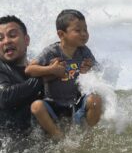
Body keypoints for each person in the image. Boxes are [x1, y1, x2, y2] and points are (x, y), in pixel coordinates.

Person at [25, 9, 102, 139]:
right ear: (61, 34)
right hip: (53, 103)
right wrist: (51, 70)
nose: (84, 34)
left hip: (75, 102)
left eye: (85, 29)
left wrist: (89, 69)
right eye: (78, 30)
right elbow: (29, 70)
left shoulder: (84, 51)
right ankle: (57, 135)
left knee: (95, 101)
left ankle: (87, 135)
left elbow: (98, 69)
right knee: (36, 107)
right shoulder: (52, 51)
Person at [0, 15, 43, 134]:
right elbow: (4, 97)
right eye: (0, 38)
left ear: (26, 40)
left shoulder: (38, 67)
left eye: (12, 35)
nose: (6, 41)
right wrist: (43, 77)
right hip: (7, 148)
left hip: (36, 144)